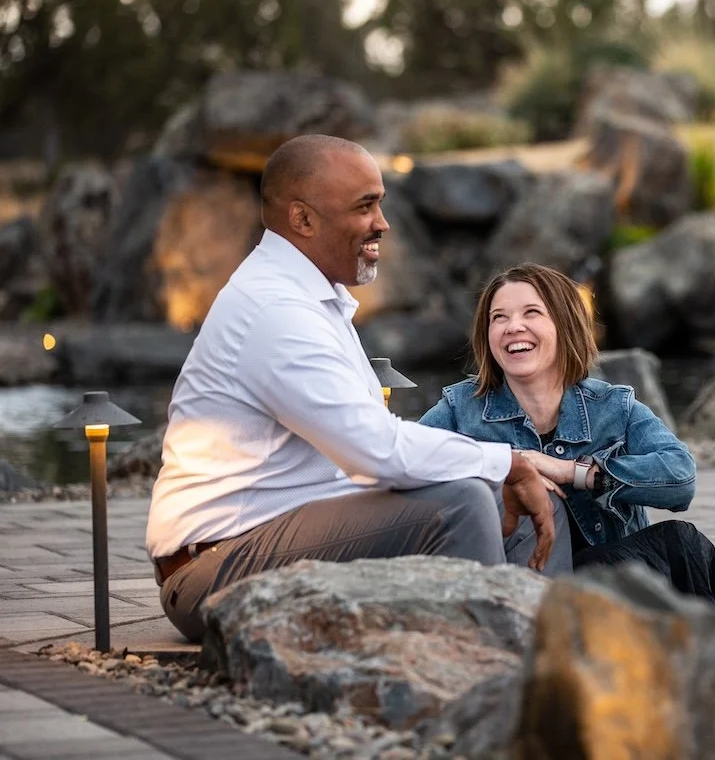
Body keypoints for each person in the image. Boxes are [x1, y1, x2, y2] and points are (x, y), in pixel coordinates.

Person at [145, 134, 570, 643]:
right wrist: (506, 461)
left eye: (380, 204)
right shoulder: (274, 310)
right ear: (302, 220)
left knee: (528, 498)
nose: (382, 223)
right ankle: (481, 672)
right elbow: (376, 451)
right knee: (461, 502)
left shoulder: (311, 297)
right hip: (212, 569)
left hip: (284, 531)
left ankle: (547, 657)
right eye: (365, 206)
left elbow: (376, 446)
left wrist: (508, 471)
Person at [419, 263, 715, 607]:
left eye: (531, 313)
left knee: (682, 542)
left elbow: (680, 478)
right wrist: (498, 470)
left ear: (564, 323)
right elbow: (404, 466)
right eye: (499, 317)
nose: (513, 327)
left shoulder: (613, 407)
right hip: (513, 580)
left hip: (604, 575)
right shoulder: (460, 408)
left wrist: (572, 472)